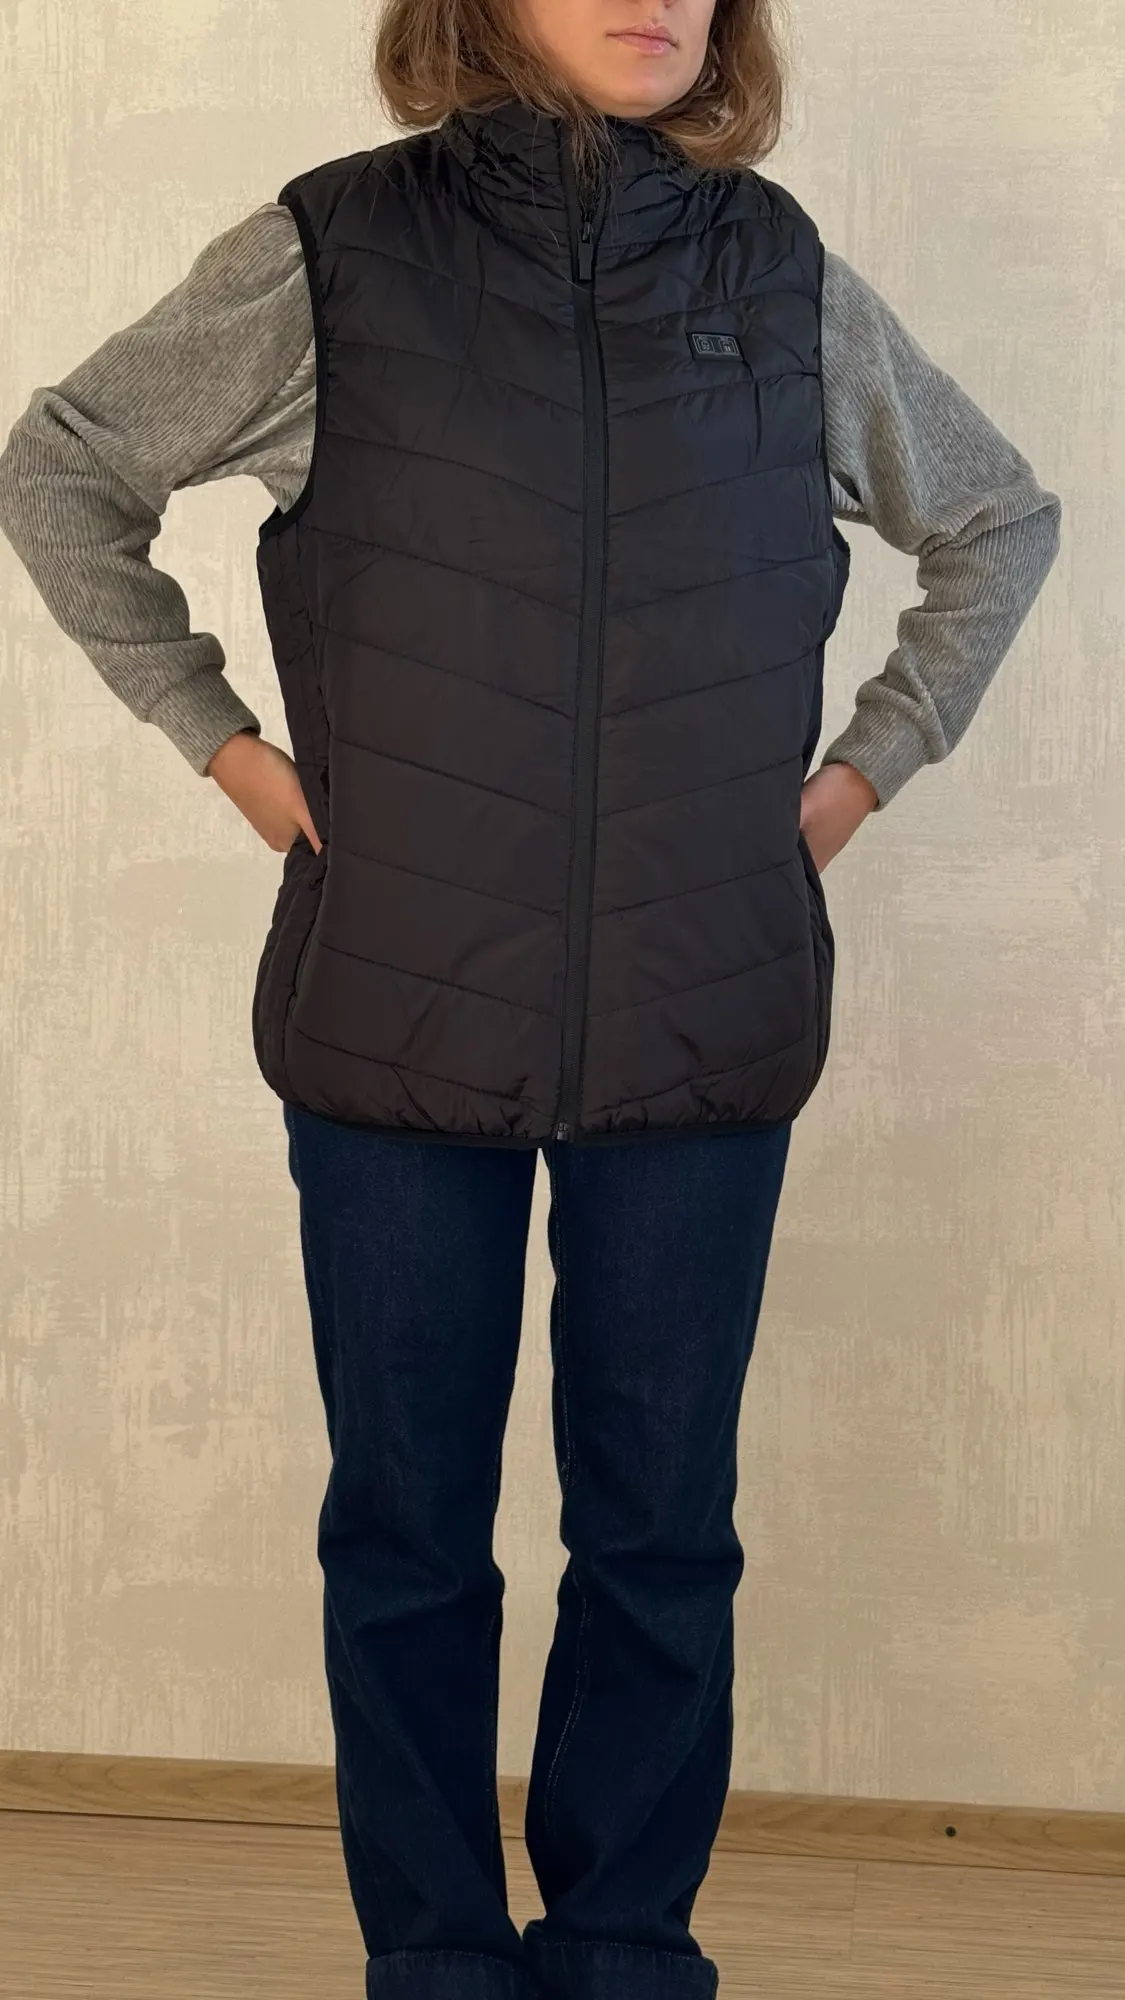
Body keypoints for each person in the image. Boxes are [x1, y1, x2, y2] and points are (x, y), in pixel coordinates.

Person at [0, 3, 1061, 1996]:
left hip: (702, 1008)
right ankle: (436, 1962)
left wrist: (853, 779)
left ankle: (623, 1955)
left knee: (660, 1534)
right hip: (396, 1007)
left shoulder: (778, 277)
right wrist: (224, 744)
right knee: (409, 1532)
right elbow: (60, 468)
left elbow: (996, 517)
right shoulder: (330, 253)